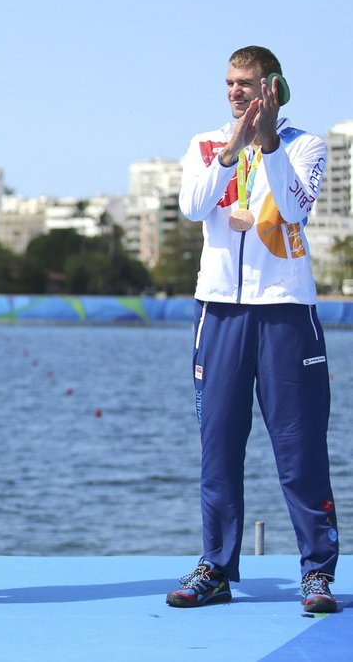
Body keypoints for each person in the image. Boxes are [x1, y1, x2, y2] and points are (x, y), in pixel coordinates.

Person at [168, 46, 337, 612]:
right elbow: (193, 207)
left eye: (246, 83)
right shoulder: (204, 143)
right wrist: (231, 151)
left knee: (300, 447)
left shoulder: (305, 144)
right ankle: (216, 567)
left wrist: (265, 144)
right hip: (218, 312)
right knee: (217, 445)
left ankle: (316, 572)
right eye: (229, 83)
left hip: (286, 310)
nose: (236, 92)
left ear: (272, 86)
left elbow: (293, 209)